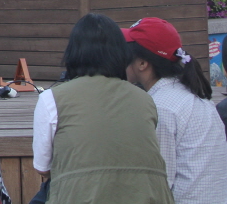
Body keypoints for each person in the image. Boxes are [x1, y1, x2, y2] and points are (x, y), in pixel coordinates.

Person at [32, 13, 173, 204]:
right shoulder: (145, 99)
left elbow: (42, 167)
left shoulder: (51, 99)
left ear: (73, 53)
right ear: (121, 54)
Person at [123, 17, 227, 204]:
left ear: (142, 63)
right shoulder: (191, 97)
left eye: (125, 52)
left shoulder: (161, 107)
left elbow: (159, 182)